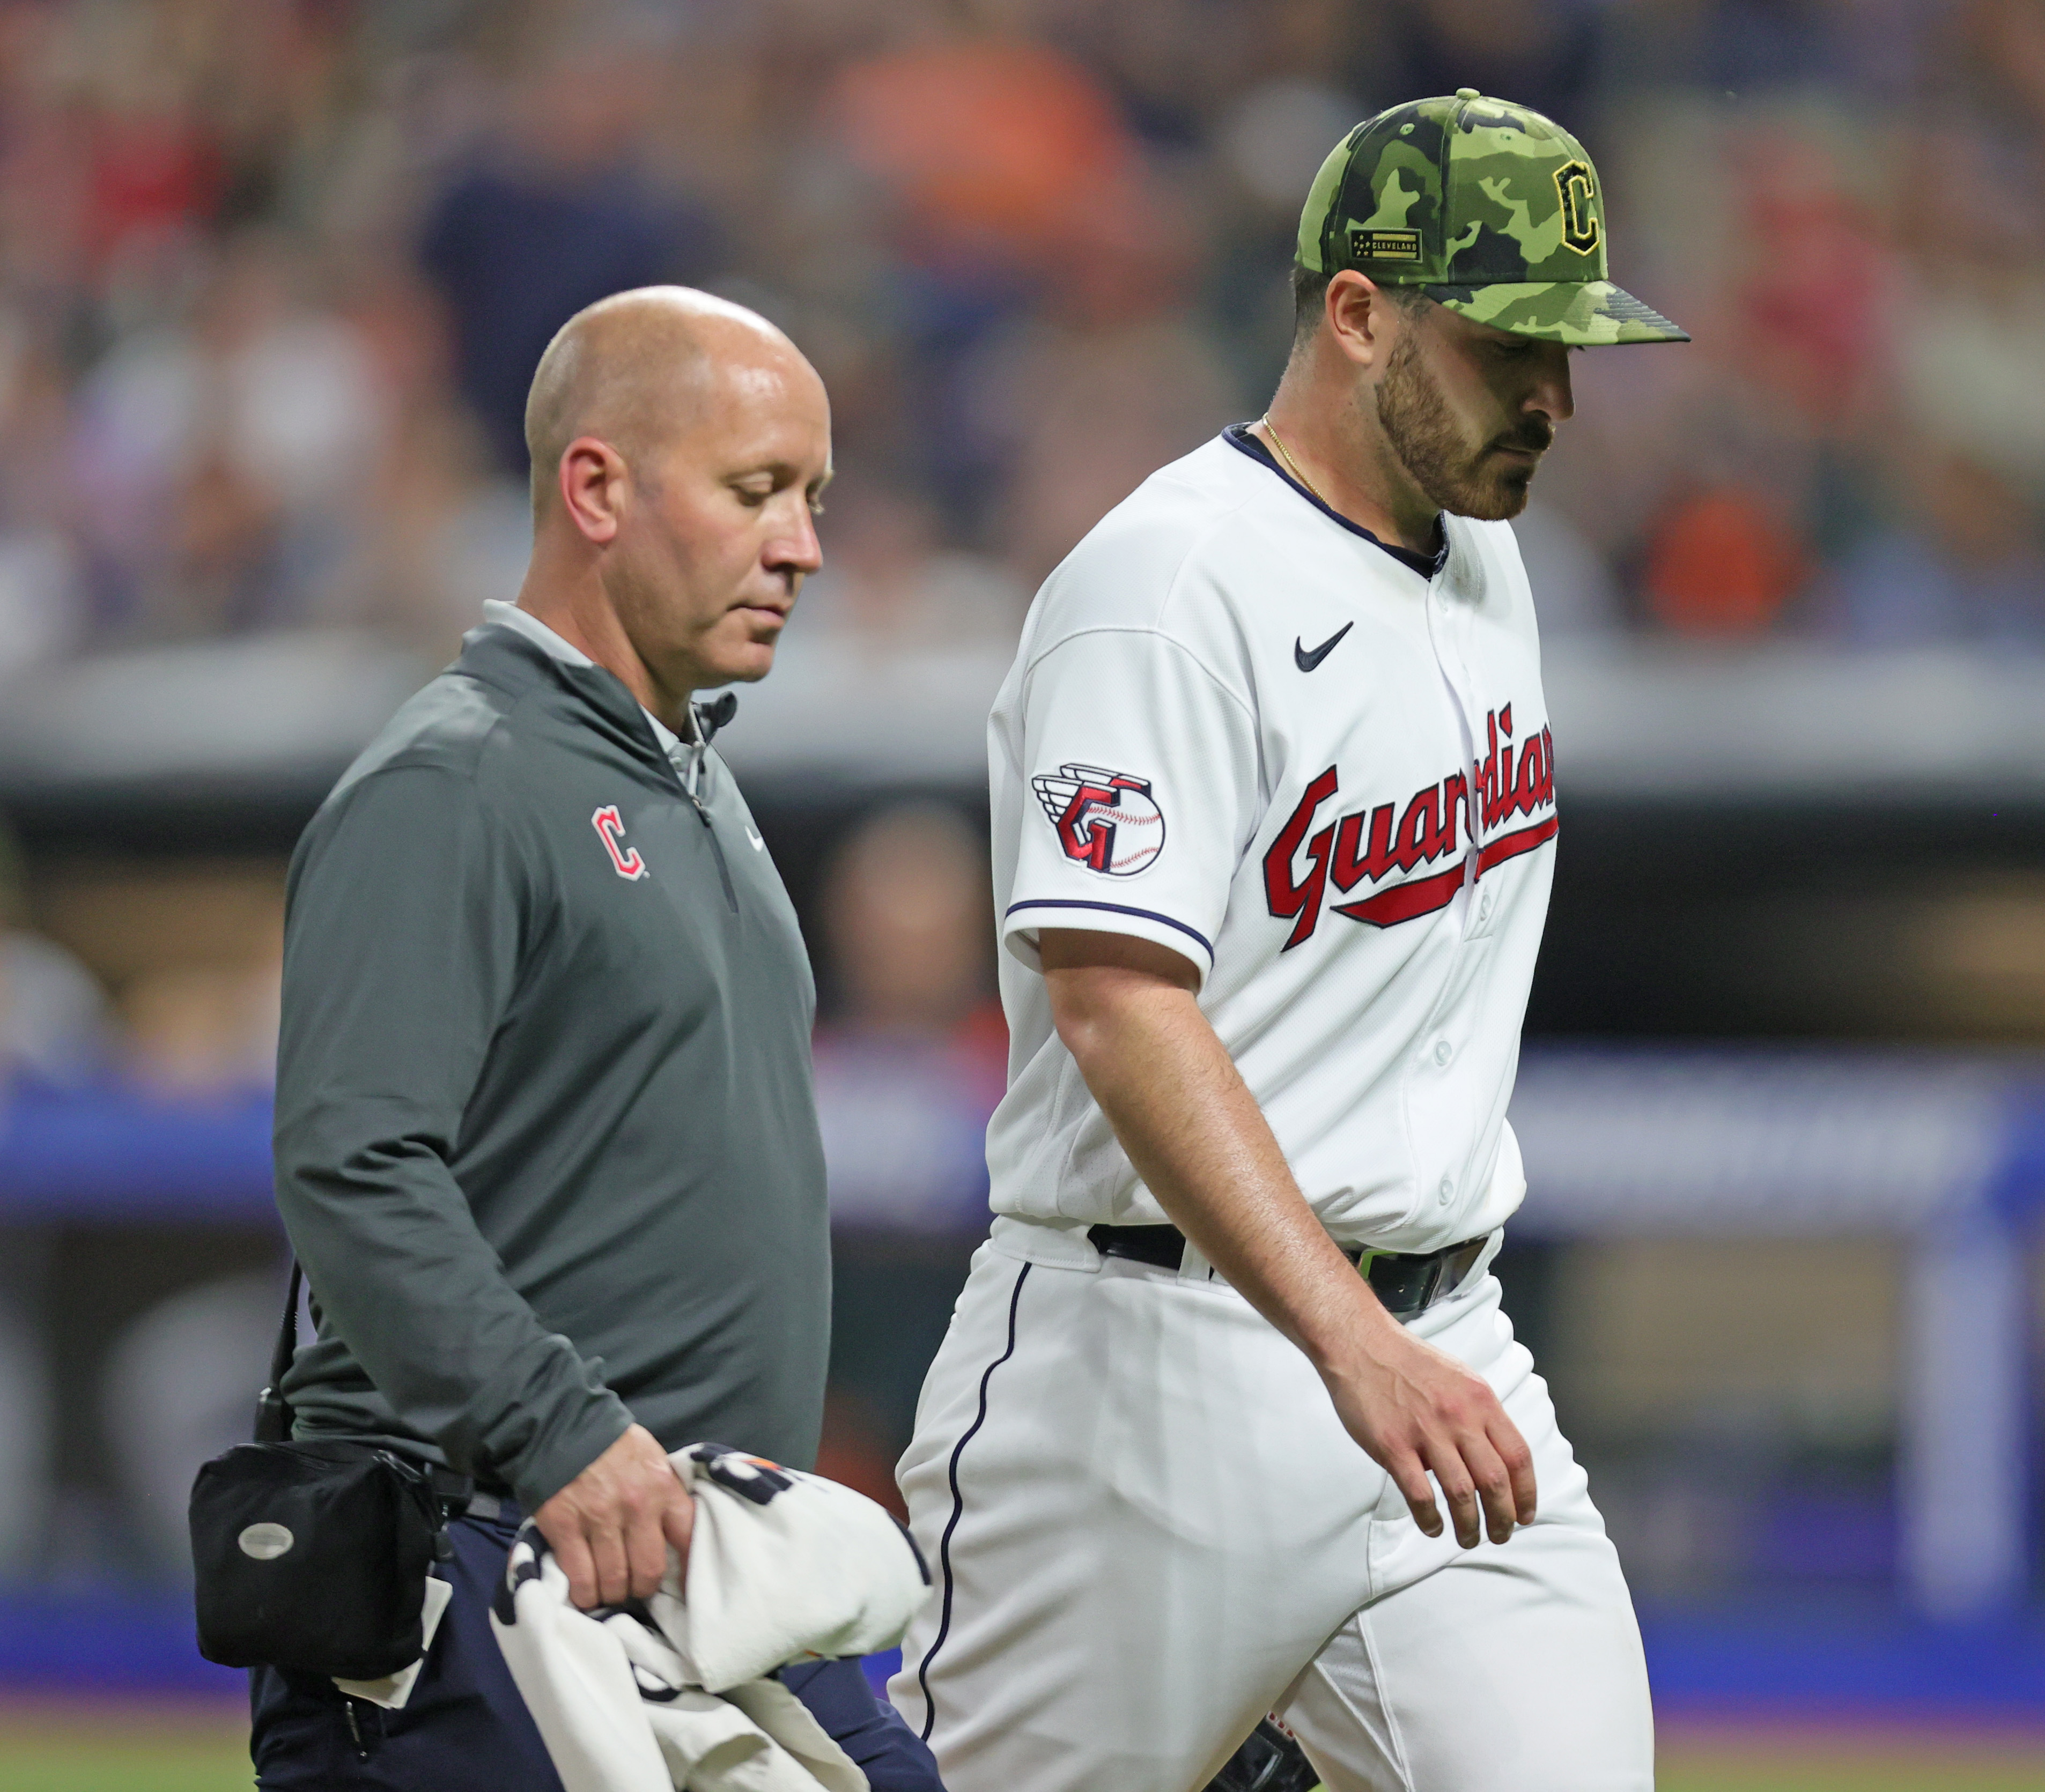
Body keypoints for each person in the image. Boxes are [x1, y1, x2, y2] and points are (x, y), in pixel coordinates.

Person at [890, 92, 1687, 1792]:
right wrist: (1349, 1341)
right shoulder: (1167, 587)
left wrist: (1393, 1344)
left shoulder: (1489, 555)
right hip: (1140, 1376)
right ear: (1355, 313)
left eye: (1571, 349)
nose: (1554, 397)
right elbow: (1118, 1006)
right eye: (1505, 347)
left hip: (1444, 1343)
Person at [261, 286, 942, 1790]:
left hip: (701, 1582)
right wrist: (558, 1429)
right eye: (757, 490)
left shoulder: (691, 779)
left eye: (816, 498)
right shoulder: (460, 780)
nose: (804, 546)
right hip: (482, 1587)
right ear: (596, 488)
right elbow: (352, 1160)